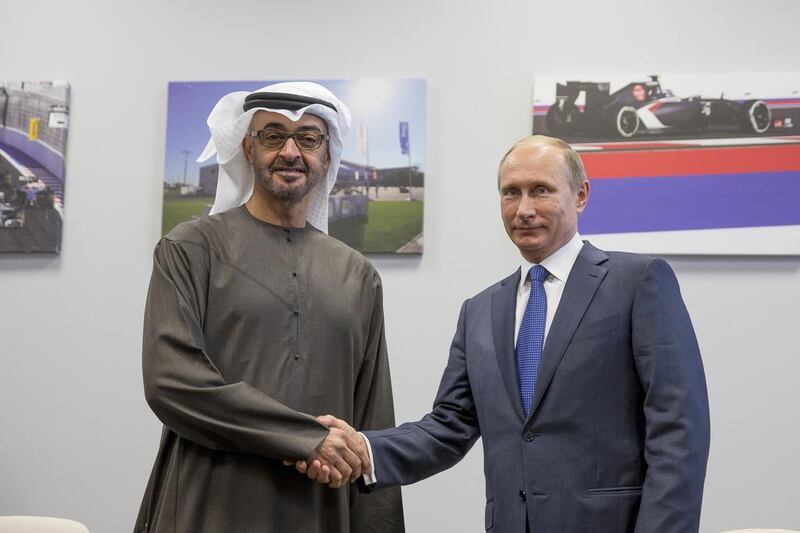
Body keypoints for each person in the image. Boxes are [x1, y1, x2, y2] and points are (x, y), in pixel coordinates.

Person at [300, 135, 710, 532]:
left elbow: (678, 431)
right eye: (511, 193)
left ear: (581, 195)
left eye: (541, 190)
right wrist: (362, 449)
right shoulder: (479, 311)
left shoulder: (637, 282)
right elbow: (449, 425)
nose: (524, 209)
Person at [134, 82, 404, 533]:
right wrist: (306, 439)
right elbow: (171, 381)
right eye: (274, 136)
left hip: (320, 510)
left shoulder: (357, 275)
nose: (291, 152)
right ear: (248, 146)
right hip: (209, 505)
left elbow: (372, 420)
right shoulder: (189, 249)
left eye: (309, 138)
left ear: (327, 153)